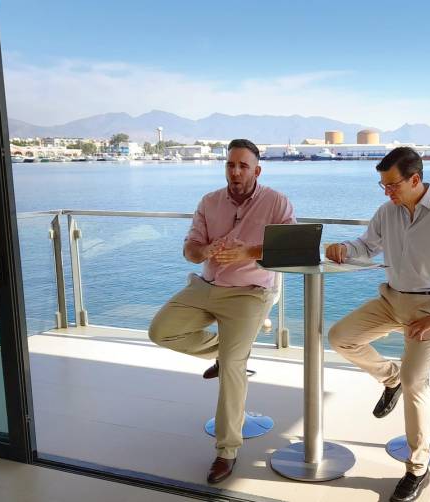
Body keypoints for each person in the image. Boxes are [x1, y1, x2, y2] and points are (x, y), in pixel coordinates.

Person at [326, 147, 430, 502]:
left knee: (415, 381)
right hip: (392, 299)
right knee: (340, 337)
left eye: (392, 185)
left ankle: (417, 469)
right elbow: (367, 245)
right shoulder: (386, 212)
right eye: (382, 185)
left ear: (415, 179)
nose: (387, 192)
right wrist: (343, 249)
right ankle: (387, 377)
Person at [148, 138, 295, 484]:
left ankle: (226, 451)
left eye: (243, 165)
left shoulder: (277, 202)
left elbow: (291, 247)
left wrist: (249, 252)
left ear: (256, 170)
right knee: (160, 331)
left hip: (250, 292)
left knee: (232, 365)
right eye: (230, 164)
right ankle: (228, 348)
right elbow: (190, 248)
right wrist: (204, 251)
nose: (236, 171)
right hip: (206, 286)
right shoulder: (209, 202)